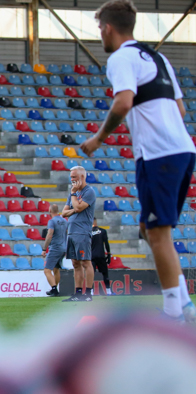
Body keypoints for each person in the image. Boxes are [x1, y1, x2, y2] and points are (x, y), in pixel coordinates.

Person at [80, 0, 196, 321]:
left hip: (159, 153)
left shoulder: (121, 58)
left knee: (157, 233)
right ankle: (182, 301)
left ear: (107, 28)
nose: (100, 35)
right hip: (182, 149)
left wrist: (98, 139)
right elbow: (181, 110)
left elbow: (123, 102)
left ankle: (175, 312)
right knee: (150, 229)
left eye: (99, 29)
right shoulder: (158, 58)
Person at [61, 166, 96, 302]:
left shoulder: (89, 192)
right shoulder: (73, 194)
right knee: (75, 263)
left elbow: (77, 207)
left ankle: (88, 293)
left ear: (82, 177)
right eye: (71, 177)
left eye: (74, 177)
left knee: (86, 262)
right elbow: (64, 213)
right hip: (72, 232)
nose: (72, 179)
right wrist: (75, 209)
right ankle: (78, 293)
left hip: (82, 232)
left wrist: (74, 199)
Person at [41, 205, 67, 297]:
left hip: (55, 248)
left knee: (47, 270)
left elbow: (50, 234)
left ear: (50, 210)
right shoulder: (64, 220)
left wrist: (44, 248)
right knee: (56, 269)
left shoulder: (51, 221)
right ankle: (55, 288)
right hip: (63, 248)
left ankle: (54, 289)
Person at [91, 218, 112, 295]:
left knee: (91, 274)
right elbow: (106, 243)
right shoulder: (103, 231)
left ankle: (90, 292)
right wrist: (109, 254)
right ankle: (108, 291)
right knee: (105, 273)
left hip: (91, 256)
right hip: (101, 255)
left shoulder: (88, 232)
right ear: (96, 221)